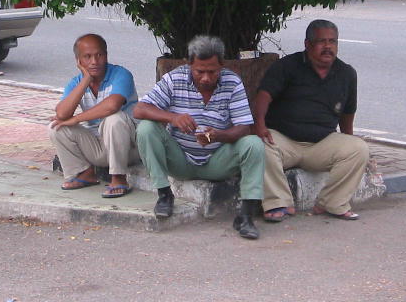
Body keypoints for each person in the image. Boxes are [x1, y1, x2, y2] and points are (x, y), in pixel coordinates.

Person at [134, 35, 265, 240]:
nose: (205, 77)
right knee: (146, 129)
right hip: (180, 160)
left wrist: (217, 135)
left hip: (217, 161)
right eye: (199, 71)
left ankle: (246, 215)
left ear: (221, 65)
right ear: (189, 65)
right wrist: (173, 118)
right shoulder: (174, 79)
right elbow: (140, 109)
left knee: (253, 144)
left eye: (212, 72)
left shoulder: (232, 82)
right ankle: (164, 194)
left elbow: (244, 128)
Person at [252, 19, 369, 222]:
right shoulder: (287, 66)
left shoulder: (346, 73)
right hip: (284, 140)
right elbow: (263, 96)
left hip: (321, 143)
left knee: (358, 148)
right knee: (258, 145)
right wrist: (260, 125)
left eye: (332, 42)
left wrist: (347, 139)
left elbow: (348, 113)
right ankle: (278, 203)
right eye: (321, 41)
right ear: (307, 44)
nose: (328, 47)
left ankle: (332, 203)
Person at [50, 34, 139, 198]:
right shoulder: (76, 82)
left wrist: (77, 118)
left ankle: (119, 178)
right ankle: (85, 173)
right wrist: (86, 80)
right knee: (56, 127)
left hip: (128, 148)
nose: (94, 61)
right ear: (79, 61)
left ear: (106, 55)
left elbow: (112, 105)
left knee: (114, 119)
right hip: (99, 147)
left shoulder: (121, 74)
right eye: (87, 57)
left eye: (99, 55)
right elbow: (62, 113)